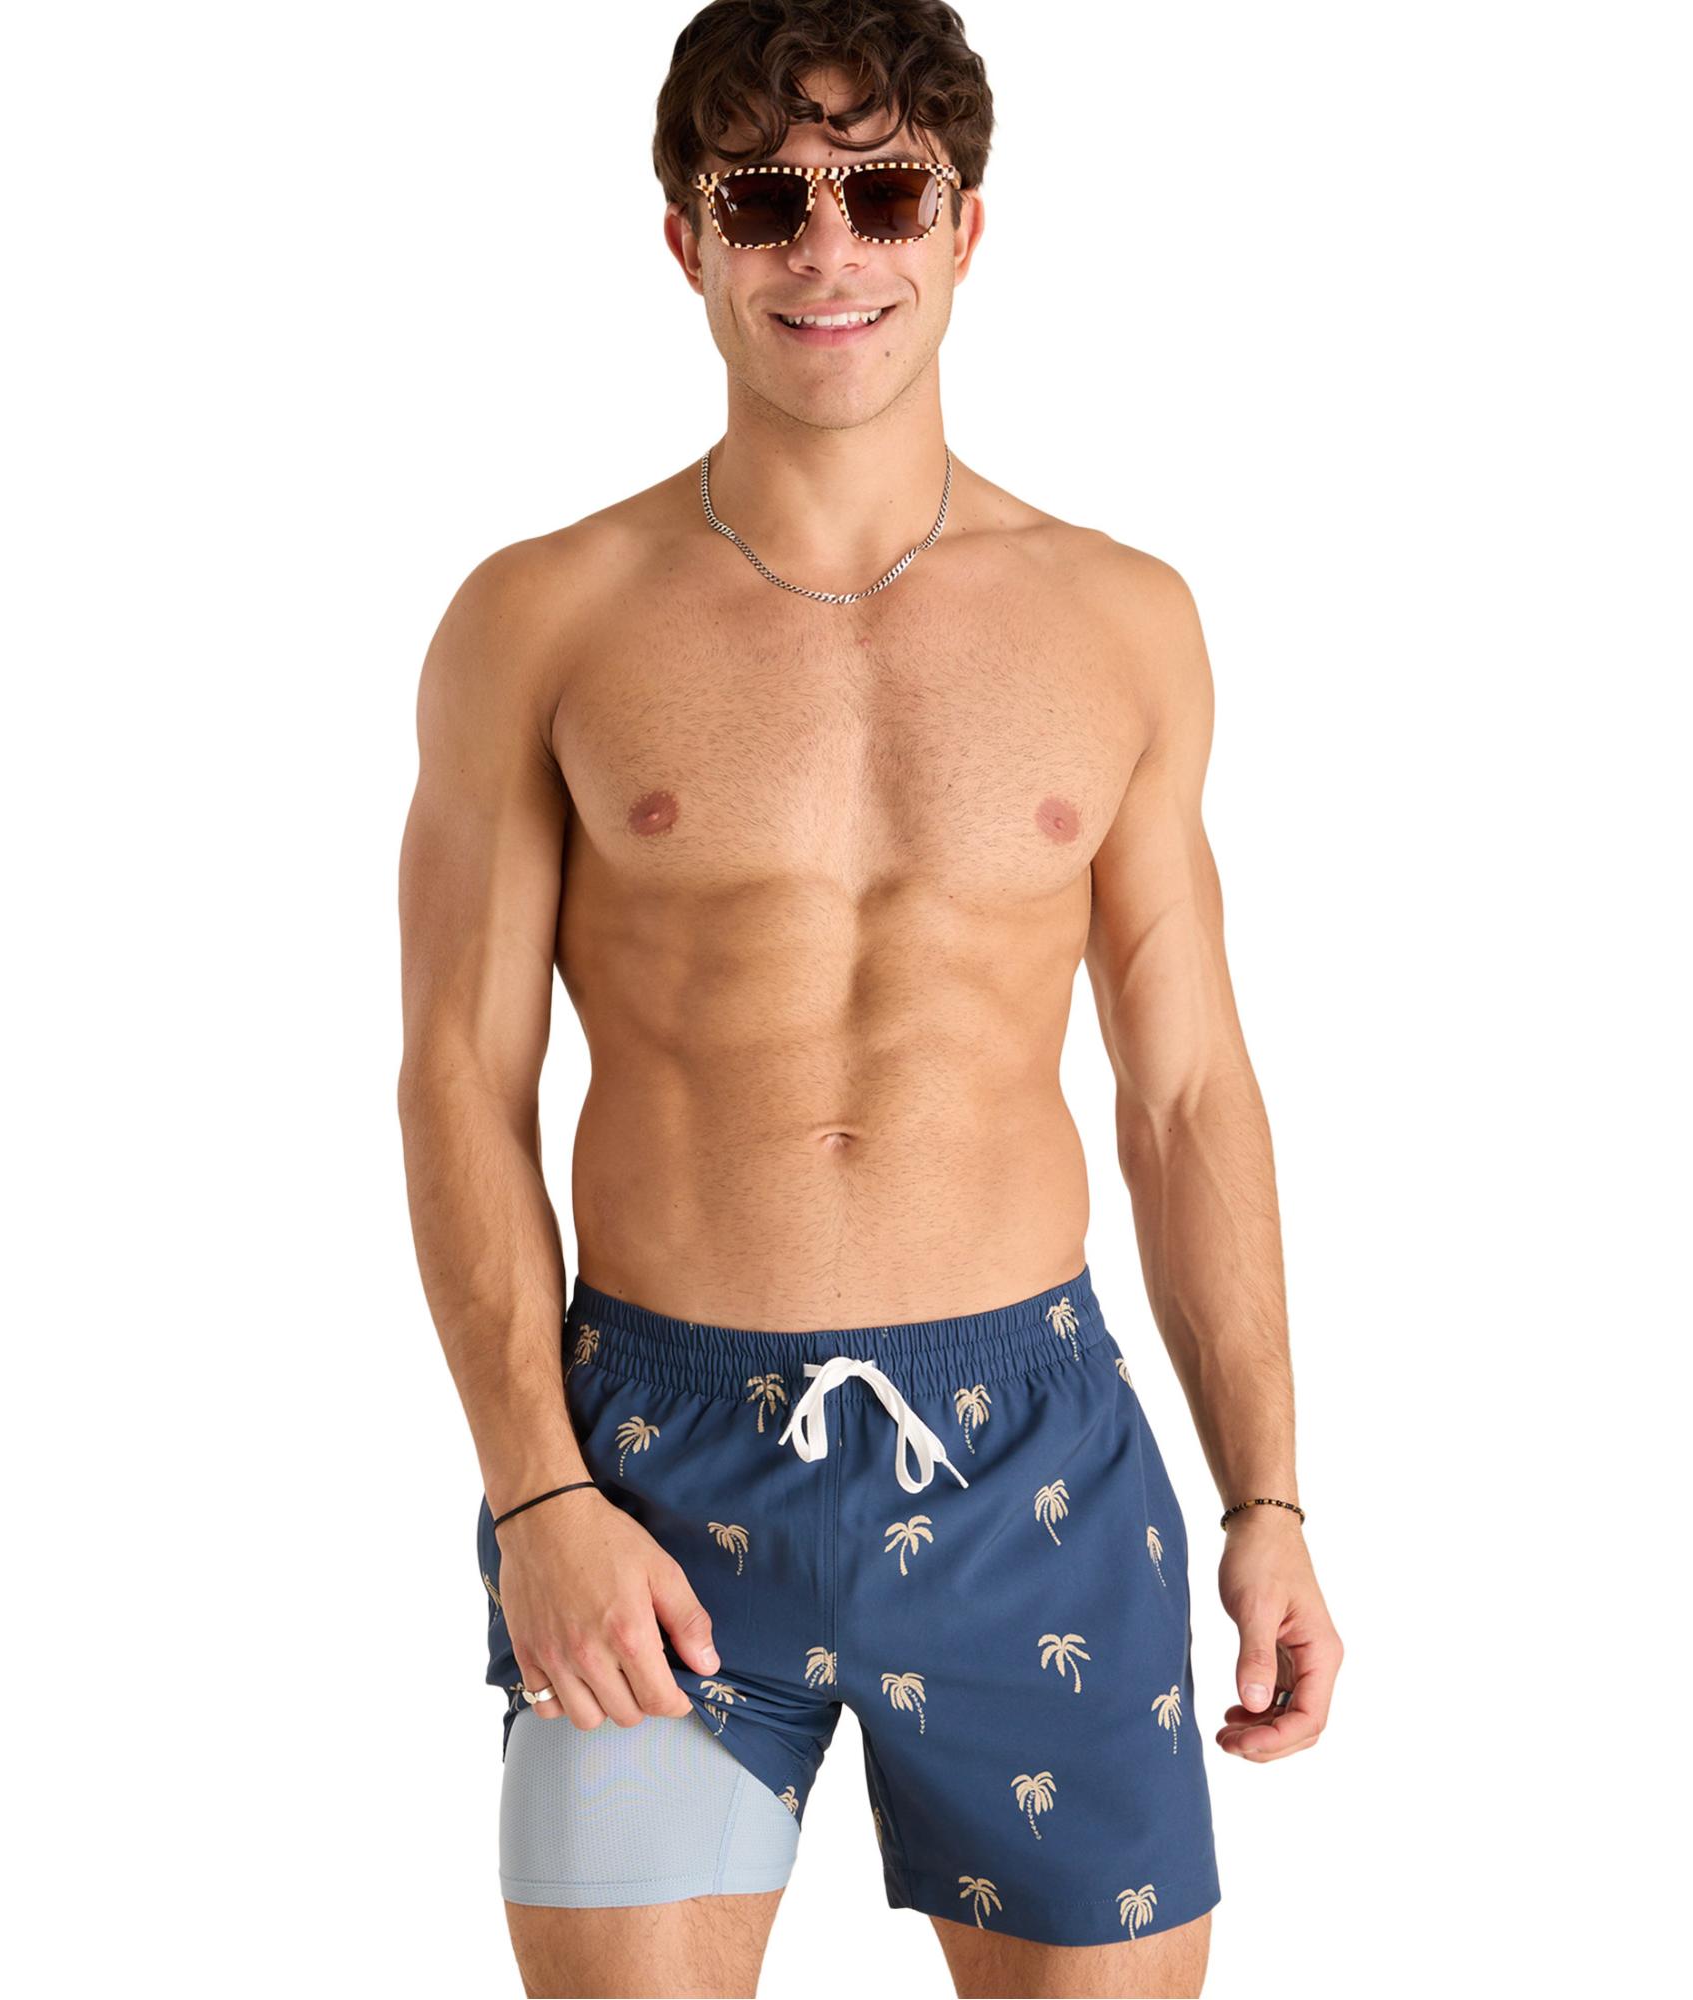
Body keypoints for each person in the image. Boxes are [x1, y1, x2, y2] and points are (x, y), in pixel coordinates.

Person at [396, 3, 1343, 1994]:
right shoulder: (541, 617)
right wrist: (535, 1490)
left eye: (883, 194)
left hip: (1038, 1478)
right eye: (765, 199)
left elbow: (1185, 1092)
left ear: (964, 227)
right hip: (648, 1473)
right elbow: (458, 1083)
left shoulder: (1122, 618)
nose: (826, 249)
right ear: (688, 238)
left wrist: (1267, 1493)